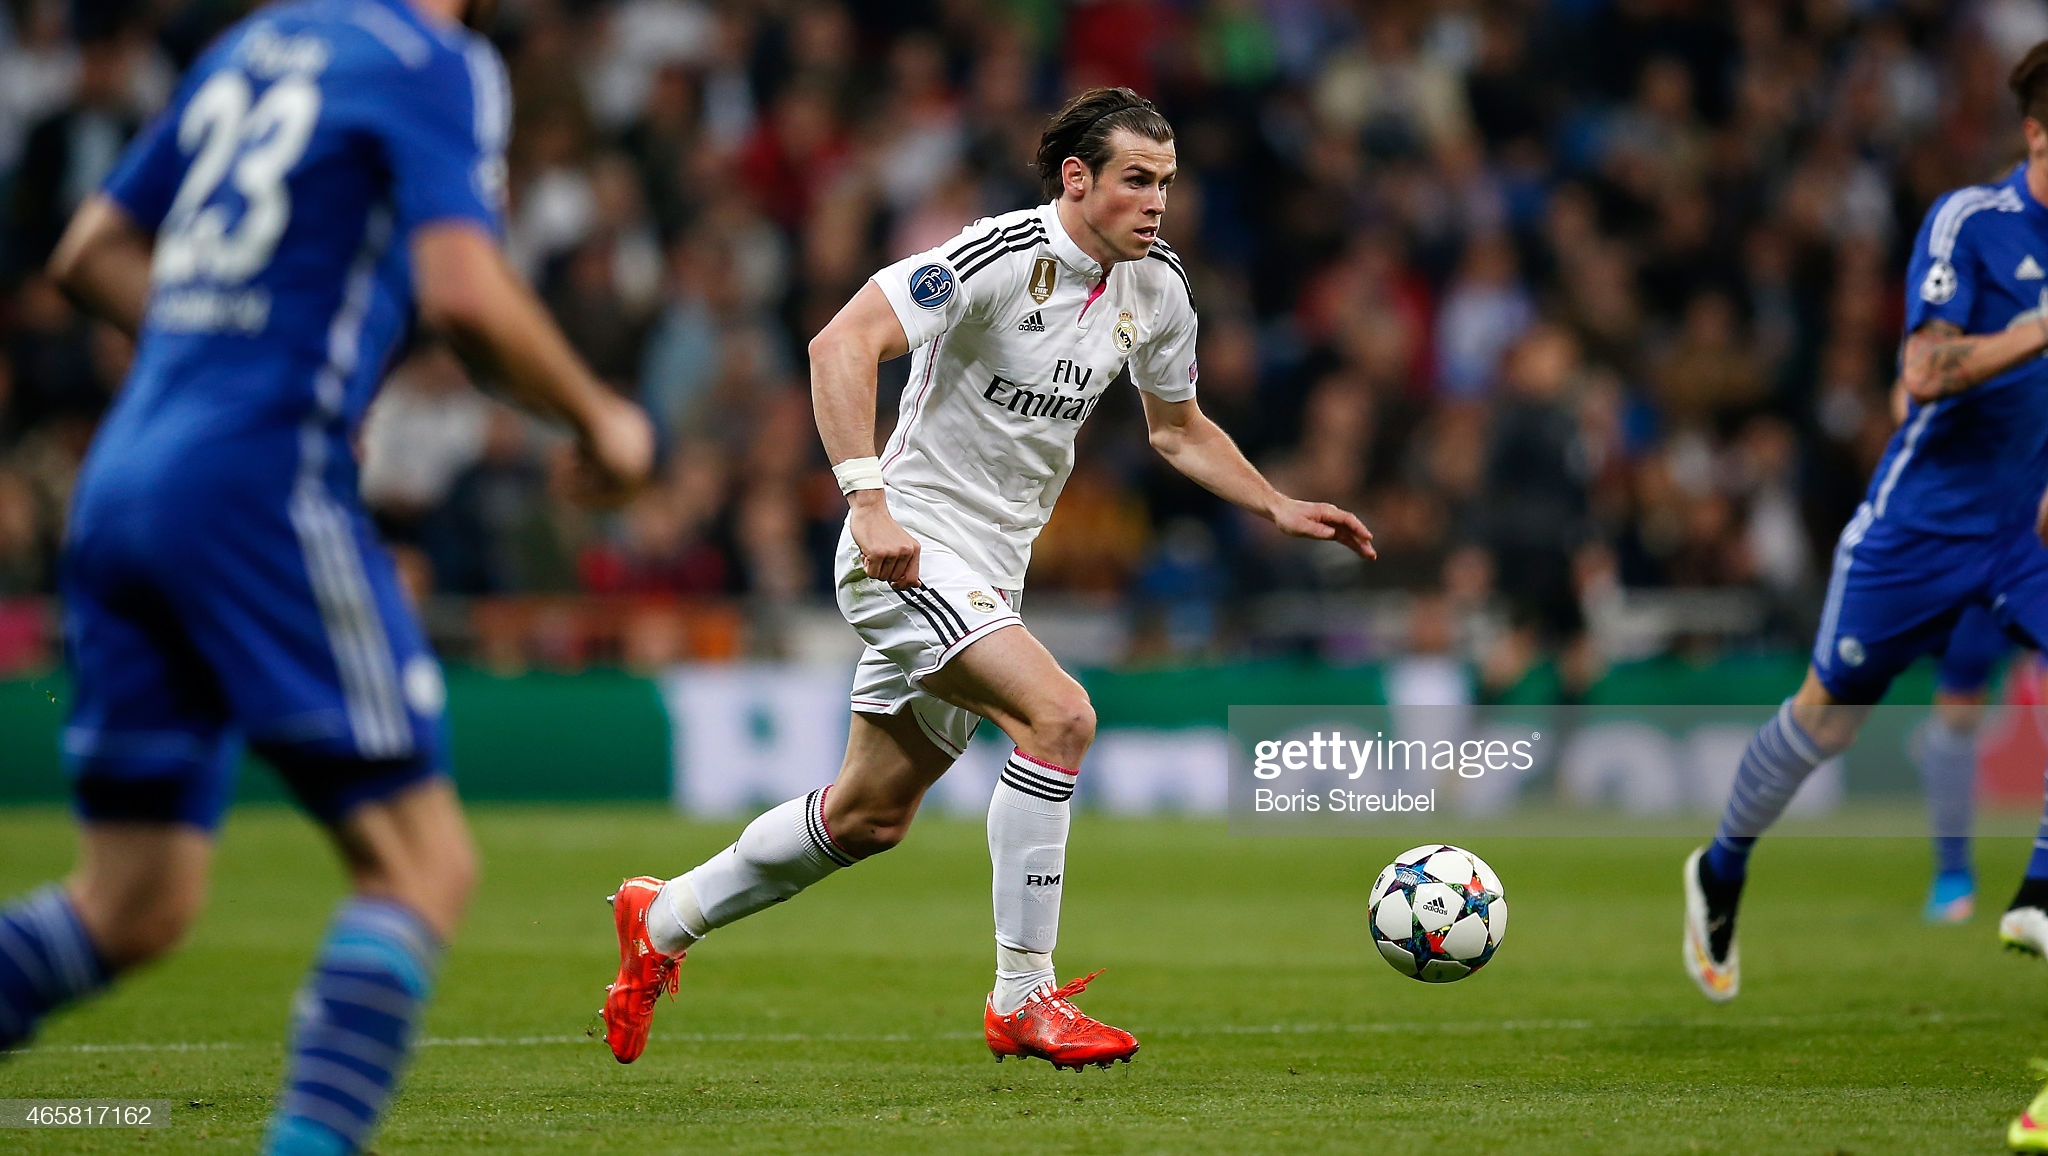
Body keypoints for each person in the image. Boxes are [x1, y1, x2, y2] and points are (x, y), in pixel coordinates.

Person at [598, 87, 1374, 1070]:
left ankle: (659, 918)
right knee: (1060, 717)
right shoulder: (995, 257)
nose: (1156, 203)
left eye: (1166, 184)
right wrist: (868, 500)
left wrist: (1272, 503)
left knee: (867, 815)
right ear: (1076, 178)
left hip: (989, 578)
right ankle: (1022, 996)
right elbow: (840, 343)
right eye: (1136, 181)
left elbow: (1174, 428)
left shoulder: (1154, 288)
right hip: (904, 551)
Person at [0, 0, 654, 1151]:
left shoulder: (251, 46)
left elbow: (84, 250)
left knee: (133, 902)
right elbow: (460, 287)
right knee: (421, 862)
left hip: (126, 477)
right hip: (255, 482)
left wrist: (215, 361)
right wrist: (598, 417)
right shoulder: (431, 61)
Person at [1681, 39, 2048, 1011]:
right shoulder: (1971, 222)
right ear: (2034, 130)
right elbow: (1921, 372)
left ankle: (2037, 891)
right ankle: (1719, 868)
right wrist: (2035, 327)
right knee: (1826, 721)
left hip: (2021, 534)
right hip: (1915, 528)